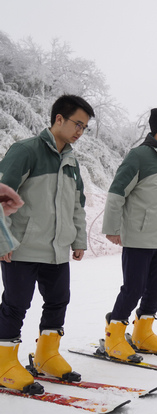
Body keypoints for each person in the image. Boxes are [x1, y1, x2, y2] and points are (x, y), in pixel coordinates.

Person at [0, 95, 94, 393]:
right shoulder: (25, 151)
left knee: (58, 301)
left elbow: (77, 205)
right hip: (22, 247)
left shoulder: (71, 161)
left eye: (85, 127)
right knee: (16, 305)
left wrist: (78, 239)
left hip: (57, 250)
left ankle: (46, 356)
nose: (80, 131)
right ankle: (4, 364)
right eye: (77, 123)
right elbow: (1, 196)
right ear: (58, 120)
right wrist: (3, 240)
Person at [101, 105, 157, 362]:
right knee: (134, 288)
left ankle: (143, 334)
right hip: (139, 236)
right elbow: (117, 192)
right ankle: (114, 337)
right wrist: (112, 228)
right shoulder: (139, 156)